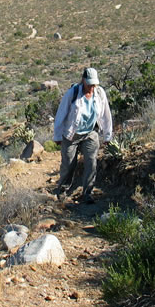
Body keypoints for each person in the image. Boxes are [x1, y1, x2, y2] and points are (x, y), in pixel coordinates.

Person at [53, 67, 113, 204]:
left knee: (91, 162)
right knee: (68, 164)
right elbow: (61, 114)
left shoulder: (100, 93)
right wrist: (57, 136)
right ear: (83, 80)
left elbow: (105, 115)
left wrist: (107, 135)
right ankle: (62, 191)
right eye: (89, 84)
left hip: (90, 133)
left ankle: (87, 193)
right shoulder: (73, 93)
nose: (91, 87)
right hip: (72, 134)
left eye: (94, 84)